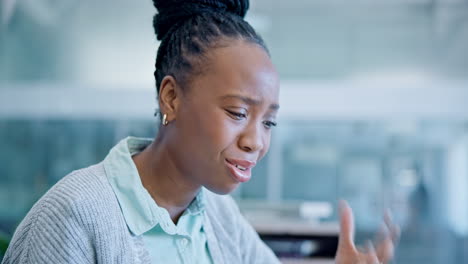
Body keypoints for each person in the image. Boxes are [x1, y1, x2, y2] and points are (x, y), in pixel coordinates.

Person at [2, 0, 399, 263]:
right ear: (171, 98)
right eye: (238, 111)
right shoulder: (74, 216)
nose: (256, 141)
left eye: (269, 122)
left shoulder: (215, 215)